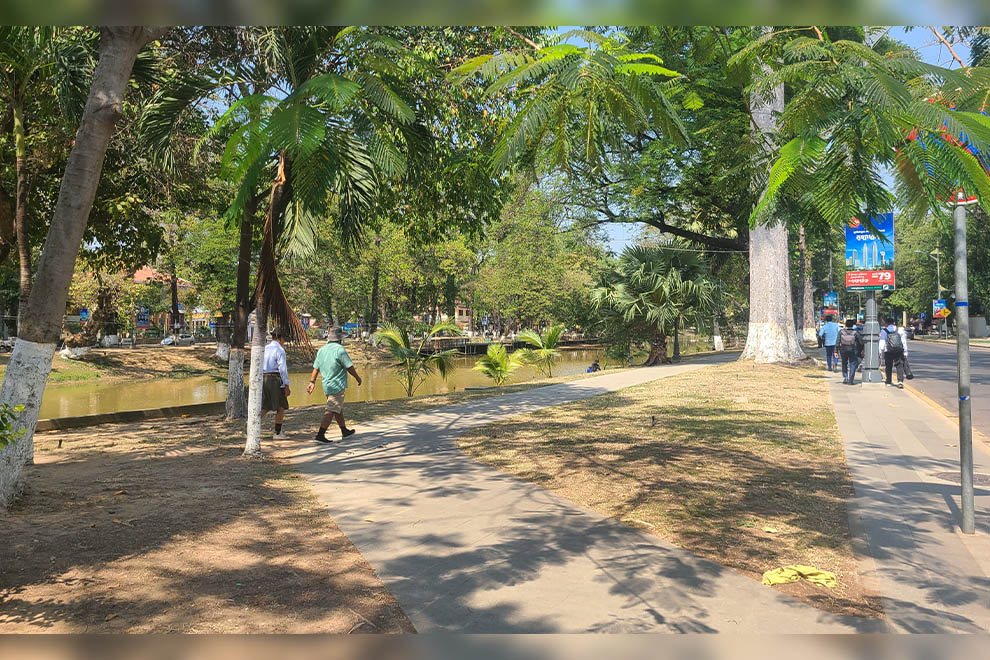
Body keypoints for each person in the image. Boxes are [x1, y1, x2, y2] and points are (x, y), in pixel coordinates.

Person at [307, 326, 363, 443]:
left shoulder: (321, 350)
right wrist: (357, 378)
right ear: (340, 339)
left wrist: (312, 382)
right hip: (337, 384)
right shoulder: (339, 350)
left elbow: (316, 368)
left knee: (337, 408)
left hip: (326, 385)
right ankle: (320, 435)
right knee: (331, 409)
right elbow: (349, 366)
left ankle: (344, 431)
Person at [262, 328, 291, 439]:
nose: (284, 341)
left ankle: (252, 423)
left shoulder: (266, 348)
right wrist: (286, 385)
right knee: (281, 406)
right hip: (275, 379)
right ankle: (278, 433)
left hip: (264, 378)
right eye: (284, 338)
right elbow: (282, 369)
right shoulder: (280, 350)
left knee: (266, 404)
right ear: (280, 338)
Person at [879, 316, 908, 388]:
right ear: (894, 323)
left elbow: (882, 341)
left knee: (888, 366)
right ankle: (900, 381)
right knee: (899, 365)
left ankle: (888, 381)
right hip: (899, 350)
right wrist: (905, 352)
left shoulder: (884, 331)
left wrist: (880, 351)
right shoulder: (900, 330)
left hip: (888, 351)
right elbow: (903, 342)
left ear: (886, 323)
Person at [838, 318, 864, 385]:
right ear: (852, 325)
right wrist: (862, 349)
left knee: (844, 363)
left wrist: (835, 350)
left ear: (845, 324)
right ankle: (851, 379)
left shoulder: (841, 332)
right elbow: (860, 342)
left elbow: (837, 341)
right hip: (853, 350)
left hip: (843, 350)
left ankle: (845, 377)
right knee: (852, 364)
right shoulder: (855, 332)